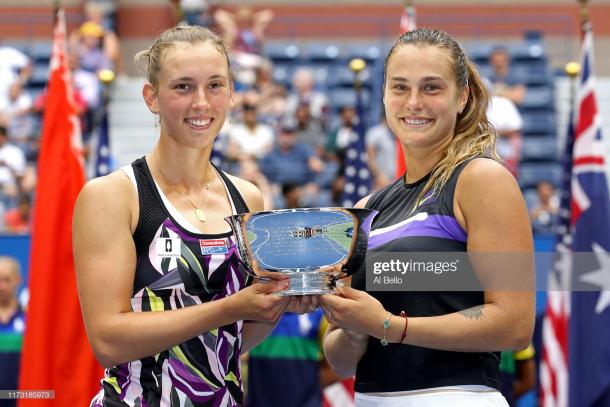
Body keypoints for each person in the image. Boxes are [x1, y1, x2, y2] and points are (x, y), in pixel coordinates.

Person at [72, 25, 317, 406]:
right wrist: (229, 308)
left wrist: (276, 307)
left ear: (232, 93)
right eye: (183, 87)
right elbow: (107, 340)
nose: (201, 102)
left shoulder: (247, 197)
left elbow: (233, 339)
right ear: (151, 97)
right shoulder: (114, 196)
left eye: (215, 85)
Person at [320, 28, 534, 406]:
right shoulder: (370, 205)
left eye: (431, 88)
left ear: (462, 97)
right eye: (400, 87)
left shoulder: (482, 179)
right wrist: (353, 329)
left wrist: (388, 325)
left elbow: (514, 324)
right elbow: (341, 363)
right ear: (384, 95)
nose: (413, 102)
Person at [0, 256, 26, 407]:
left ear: (18, 280)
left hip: (21, 398)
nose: (2, 286)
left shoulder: (30, 319)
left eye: (7, 280)